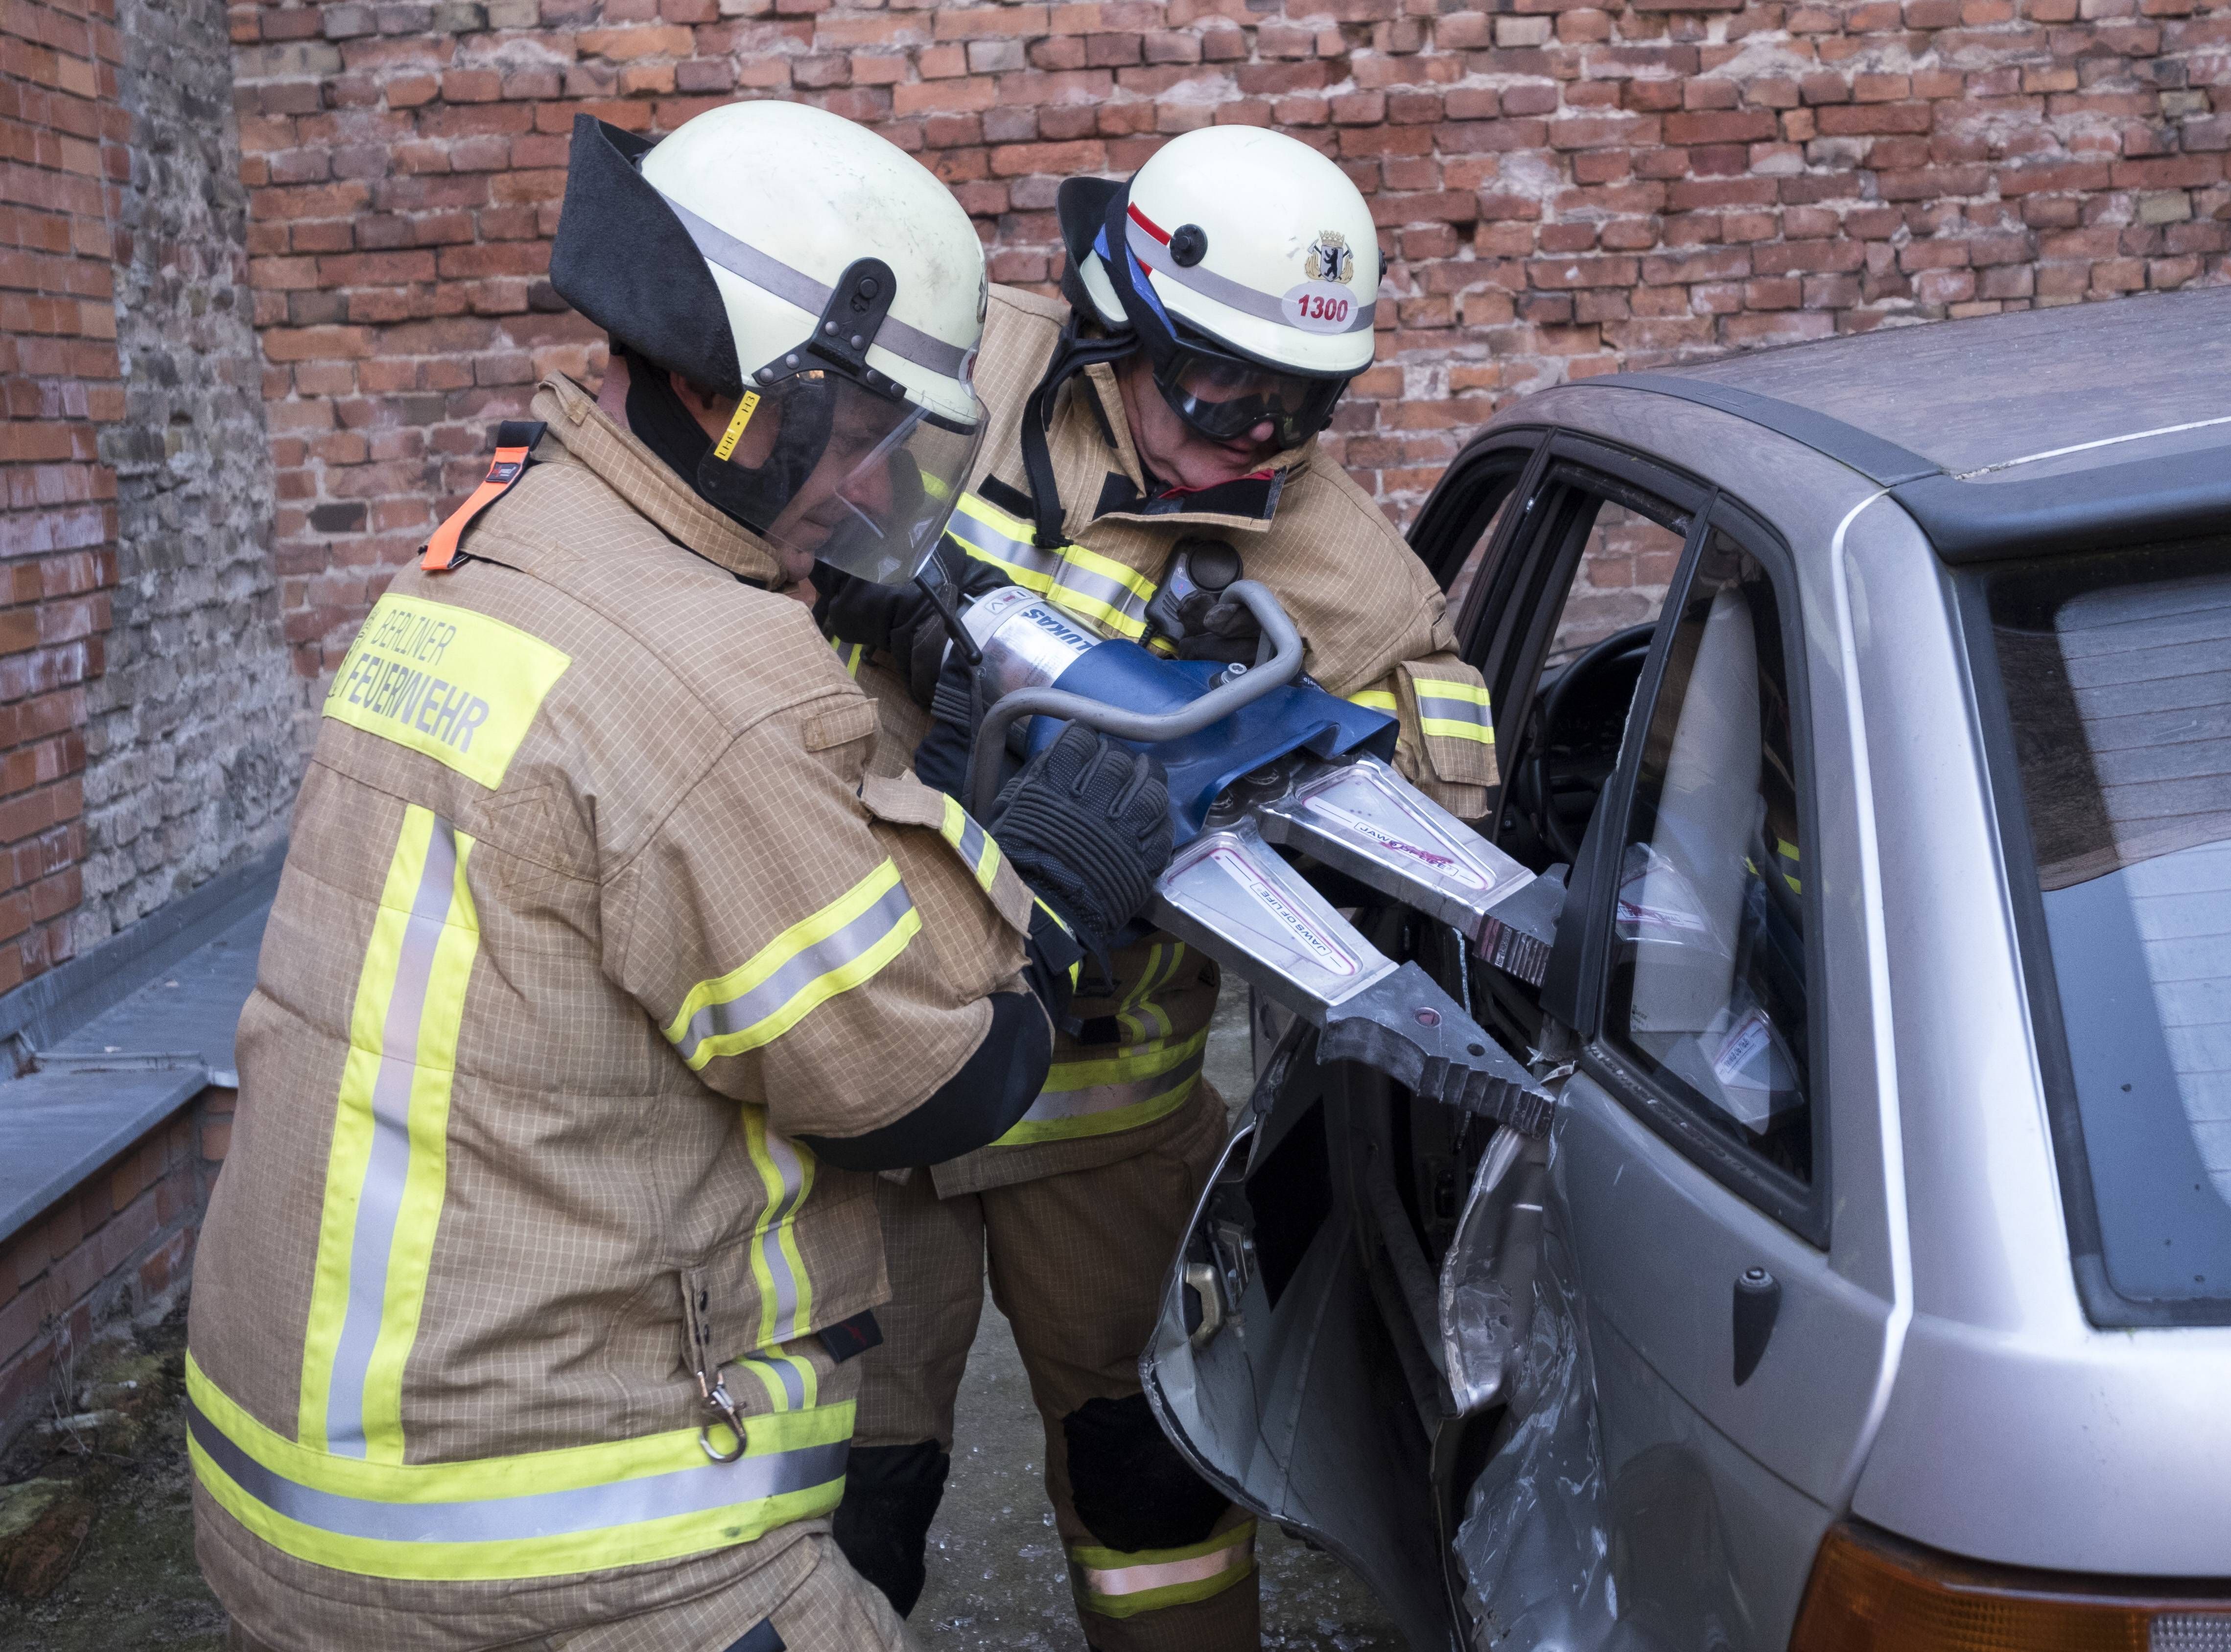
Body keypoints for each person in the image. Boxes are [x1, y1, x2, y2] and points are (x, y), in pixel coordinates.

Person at [187, 99, 1171, 1652]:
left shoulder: (498, 543)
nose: (869, 494)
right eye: (862, 443)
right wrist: (1042, 883)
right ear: (752, 400)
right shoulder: (720, 680)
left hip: (304, 1486)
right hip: (563, 1542)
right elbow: (920, 1084)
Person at [818, 126, 1500, 1651]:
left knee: (1154, 1489)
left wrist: (1298, 770)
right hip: (864, 1072)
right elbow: (721, 535)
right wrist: (846, 593)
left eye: (1300, 406)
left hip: (1101, 1110)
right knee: (852, 1496)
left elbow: (1449, 742)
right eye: (1217, 391)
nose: (1252, 442)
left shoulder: (1328, 547)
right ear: (1122, 318)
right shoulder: (963, 363)